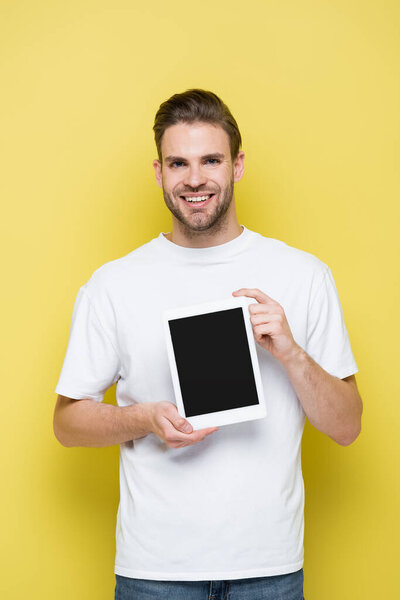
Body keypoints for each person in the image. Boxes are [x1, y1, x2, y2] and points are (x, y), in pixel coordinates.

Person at [53, 89, 363, 600]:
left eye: (210, 160)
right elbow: (66, 424)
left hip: (270, 566)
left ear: (237, 165)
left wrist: (289, 351)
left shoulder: (303, 275)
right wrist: (142, 419)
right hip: (154, 570)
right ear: (159, 172)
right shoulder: (114, 284)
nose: (194, 179)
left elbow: (347, 426)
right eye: (179, 163)